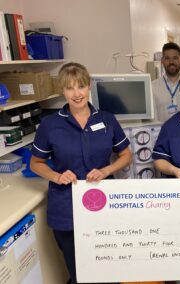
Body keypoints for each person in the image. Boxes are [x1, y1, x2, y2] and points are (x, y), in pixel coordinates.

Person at [30, 62, 132, 284]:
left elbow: (126, 156)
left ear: (89, 86)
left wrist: (106, 170)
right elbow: (36, 163)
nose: (76, 94)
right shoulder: (50, 125)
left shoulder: (107, 119)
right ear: (62, 91)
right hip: (67, 208)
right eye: (70, 88)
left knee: (109, 266)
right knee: (80, 273)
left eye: (81, 86)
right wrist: (56, 176)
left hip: (104, 203)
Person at [152, 42, 180, 123]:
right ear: (162, 61)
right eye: (167, 58)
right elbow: (153, 118)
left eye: (175, 58)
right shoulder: (153, 86)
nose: (171, 62)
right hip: (163, 133)